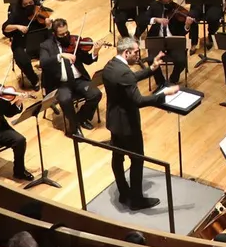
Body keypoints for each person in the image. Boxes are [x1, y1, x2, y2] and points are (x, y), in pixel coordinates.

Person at [101, 37, 176, 210]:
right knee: (137, 160)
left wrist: (151, 69)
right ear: (126, 52)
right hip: (128, 125)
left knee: (117, 157)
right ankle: (136, 200)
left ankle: (123, 193)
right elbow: (139, 100)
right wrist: (165, 95)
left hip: (114, 121)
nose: (138, 55)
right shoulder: (124, 72)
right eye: (136, 52)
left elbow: (130, 79)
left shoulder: (111, 65)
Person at [40, 18, 106, 136]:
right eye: (61, 34)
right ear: (54, 34)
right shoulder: (46, 46)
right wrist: (60, 56)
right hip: (61, 83)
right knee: (65, 100)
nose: (65, 36)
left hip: (79, 80)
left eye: (66, 32)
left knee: (96, 94)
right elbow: (43, 63)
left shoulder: (75, 41)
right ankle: (74, 128)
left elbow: (87, 60)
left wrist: (95, 52)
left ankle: (80, 118)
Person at [2, 0, 43, 92]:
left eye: (31, 3)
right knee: (22, 60)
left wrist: (48, 23)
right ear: (21, 5)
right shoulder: (17, 14)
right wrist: (17, 26)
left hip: (38, 42)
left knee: (52, 51)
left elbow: (47, 24)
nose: (29, 5)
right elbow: (5, 28)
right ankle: (34, 80)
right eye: (25, 4)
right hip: (21, 44)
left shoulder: (39, 9)